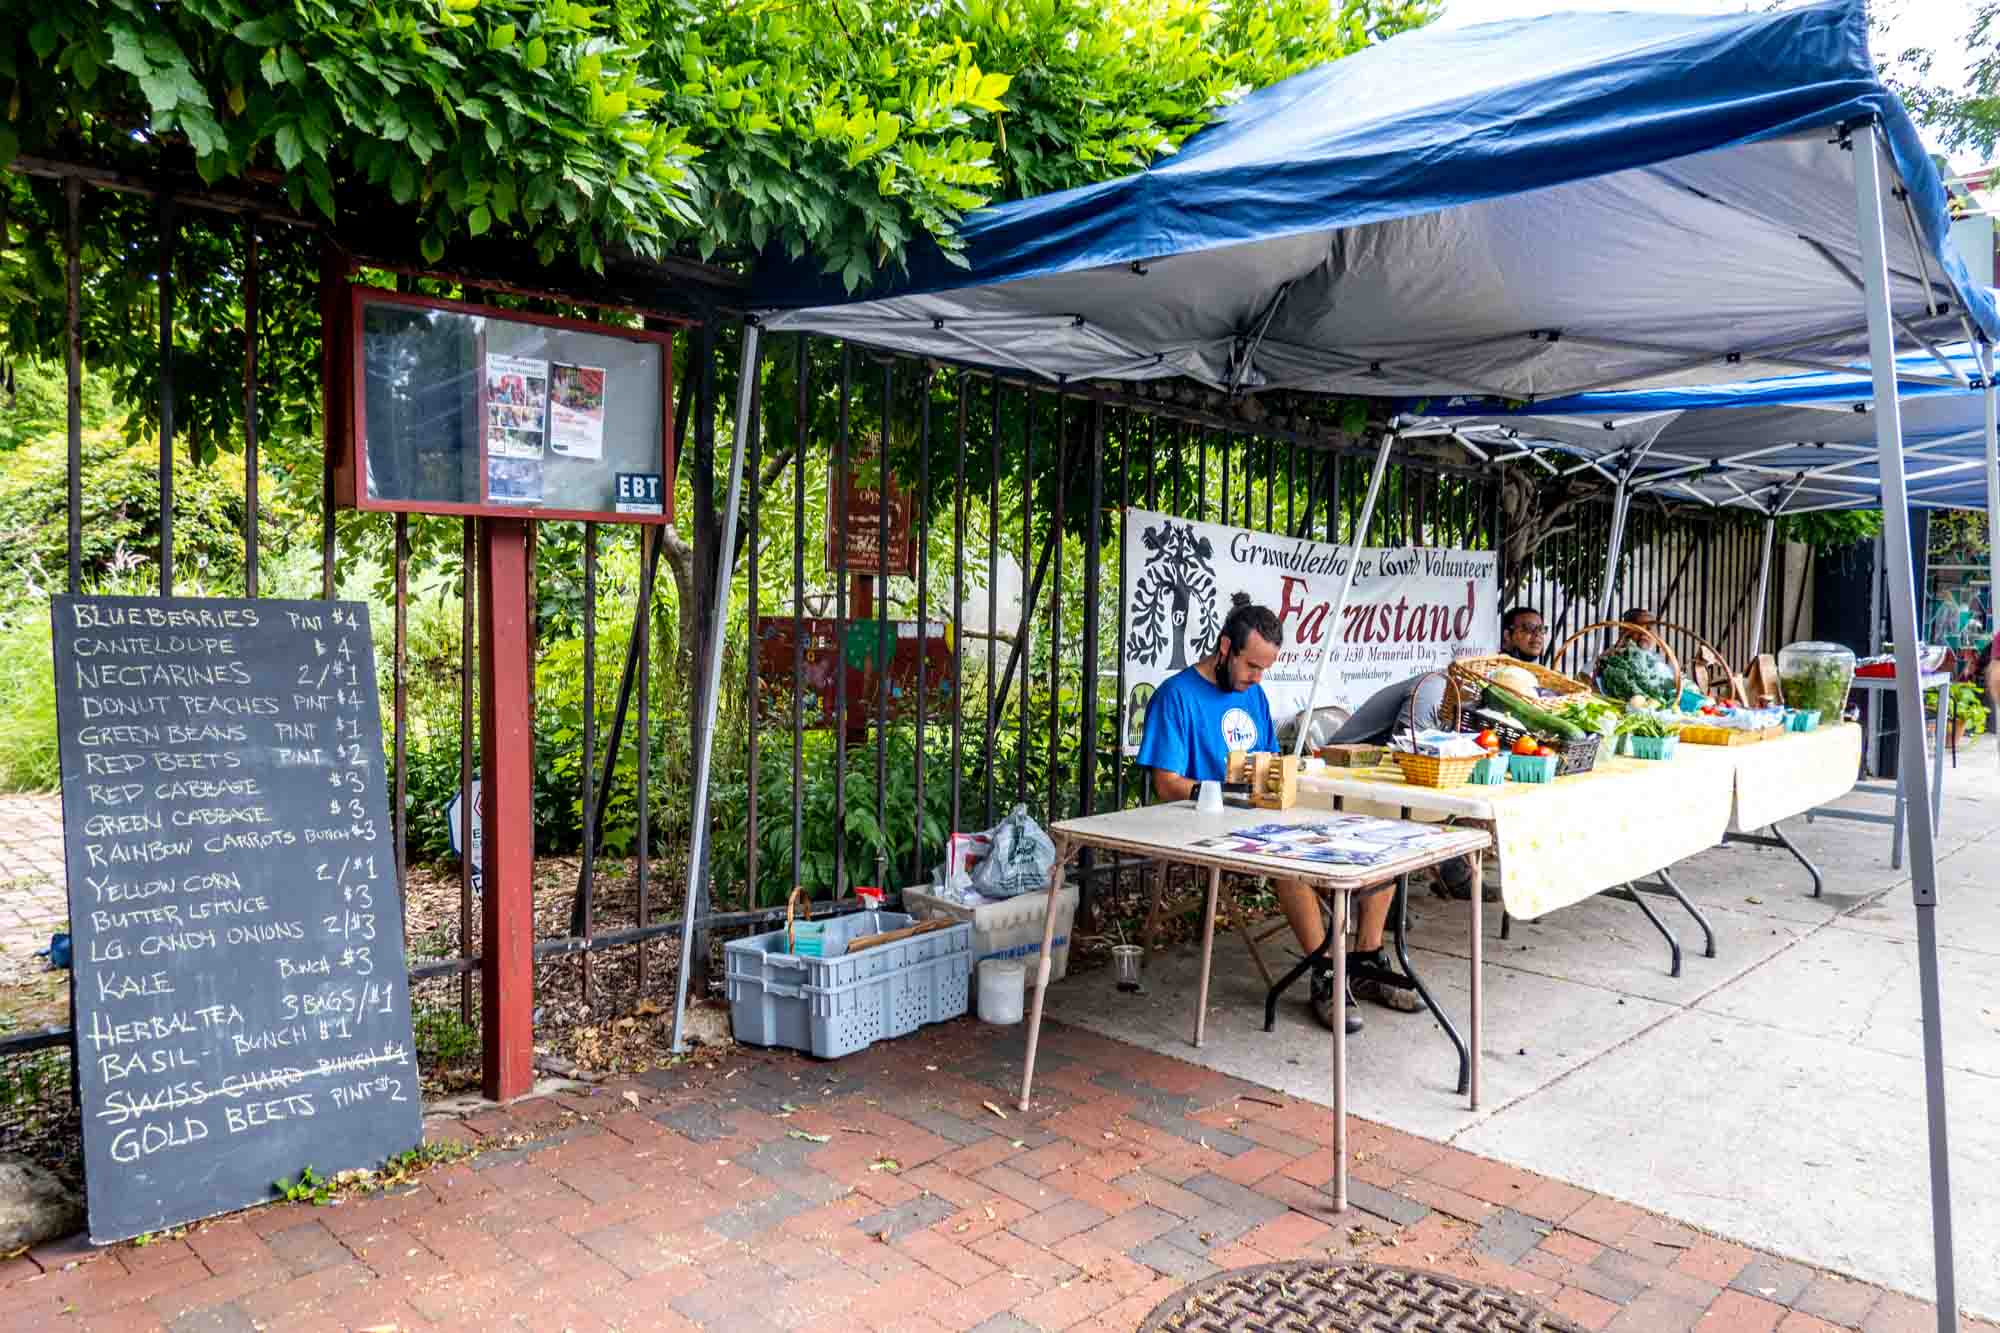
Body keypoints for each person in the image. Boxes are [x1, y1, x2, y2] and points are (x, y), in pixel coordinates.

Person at [1137, 593, 1379, 1035]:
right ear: (1226, 647)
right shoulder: (1176, 696)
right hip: (1204, 822)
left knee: (1368, 839)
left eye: (1265, 669)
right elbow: (1167, 784)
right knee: (1289, 864)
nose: (1257, 677)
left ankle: (1367, 957)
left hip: (1258, 814)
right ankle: (1325, 973)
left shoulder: (1255, 695)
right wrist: (1230, 790)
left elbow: (1266, 764)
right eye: (1252, 666)